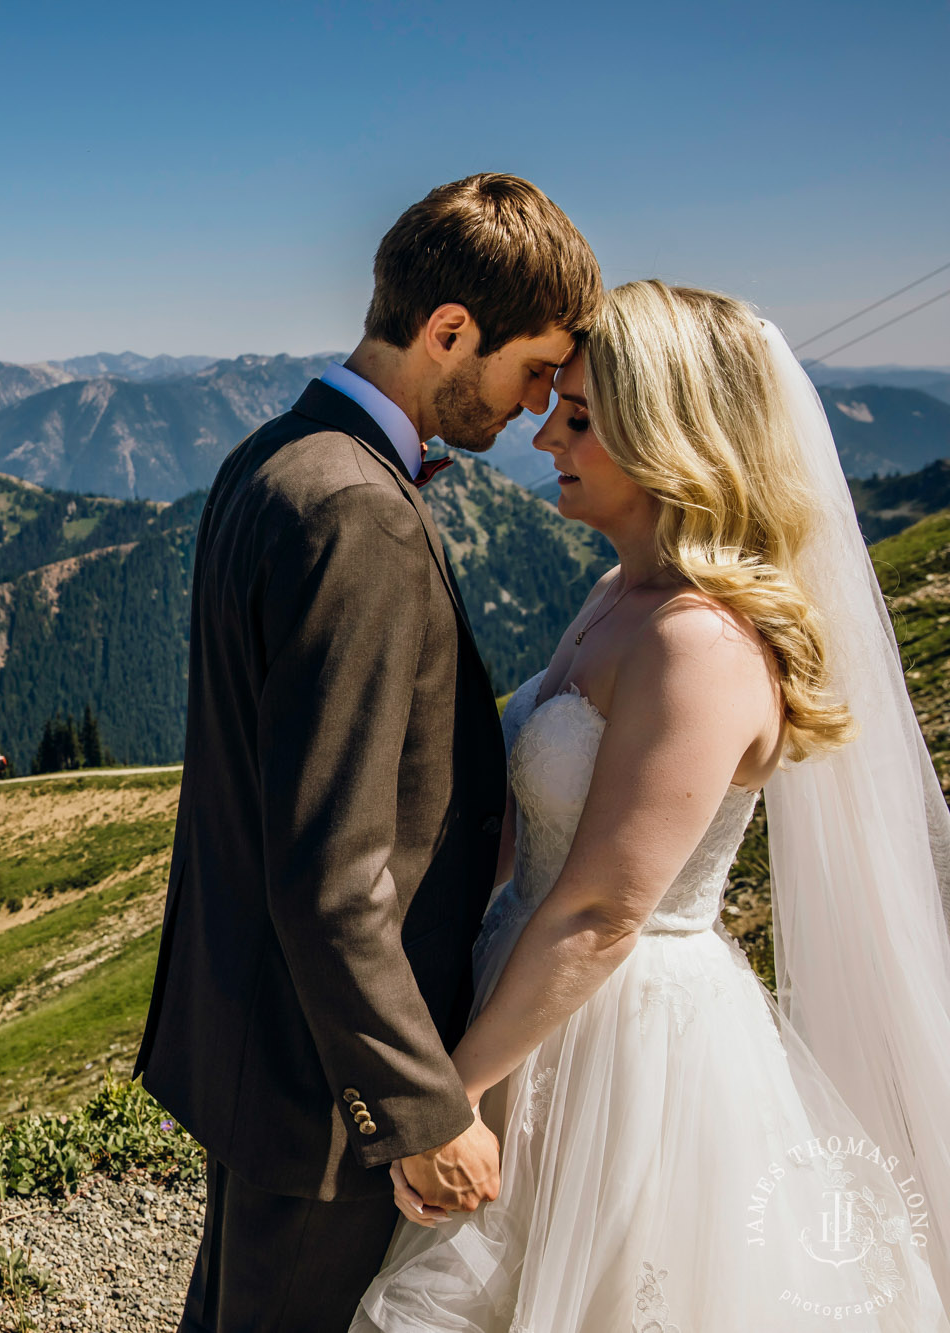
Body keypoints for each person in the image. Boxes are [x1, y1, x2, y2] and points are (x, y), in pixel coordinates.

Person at [354, 281, 950, 1330]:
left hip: (618, 1038)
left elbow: (600, 913)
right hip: (524, 990)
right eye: (554, 408)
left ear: (670, 439)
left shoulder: (696, 644)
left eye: (578, 419)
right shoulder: (614, 599)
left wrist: (442, 1100)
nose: (543, 436)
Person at [133, 173, 601, 1331]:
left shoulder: (275, 453)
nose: (538, 402)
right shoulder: (356, 507)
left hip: (259, 1039)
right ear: (448, 332)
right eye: (531, 367)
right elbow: (332, 870)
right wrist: (421, 1110)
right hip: (319, 1087)